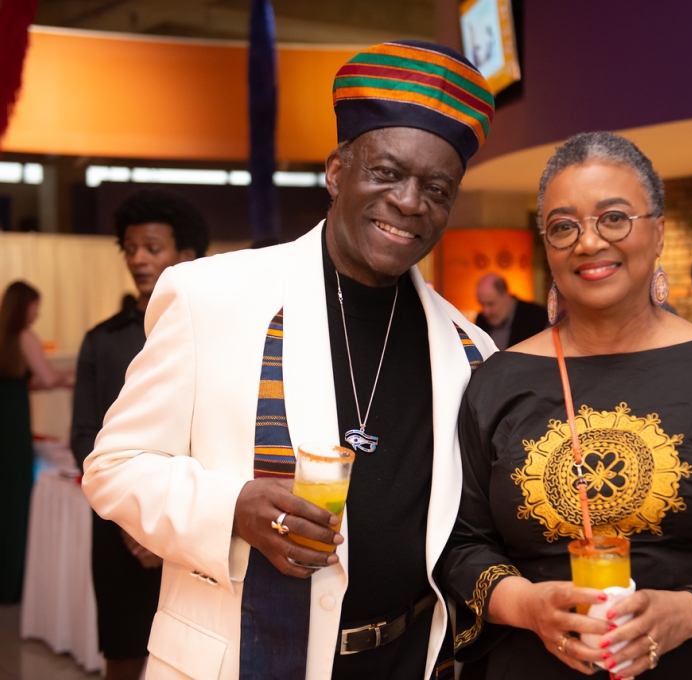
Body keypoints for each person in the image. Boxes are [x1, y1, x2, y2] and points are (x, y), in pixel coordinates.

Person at [82, 40, 496, 680]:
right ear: (336, 171)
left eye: (436, 188)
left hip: (408, 659)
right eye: (387, 173)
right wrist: (232, 507)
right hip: (239, 658)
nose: (411, 202)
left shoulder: (470, 348)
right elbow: (113, 467)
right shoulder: (211, 296)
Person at [440, 132, 692, 679]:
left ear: (659, 232)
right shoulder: (498, 381)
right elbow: (460, 541)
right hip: (534, 661)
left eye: (614, 218)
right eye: (563, 226)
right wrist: (529, 607)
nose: (589, 242)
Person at [71, 189, 209, 680]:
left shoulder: (213, 337)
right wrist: (134, 526)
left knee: (193, 656)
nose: (138, 259)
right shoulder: (103, 340)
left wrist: (168, 523)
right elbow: (85, 436)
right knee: (124, 652)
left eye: (152, 248)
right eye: (130, 248)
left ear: (186, 256)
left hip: (192, 528)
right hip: (118, 529)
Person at [0, 281, 73, 603]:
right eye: (35, 305)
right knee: (16, 499)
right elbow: (46, 378)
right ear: (24, 306)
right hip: (13, 425)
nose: (38, 312)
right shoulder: (25, 336)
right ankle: (12, 582)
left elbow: (24, 383)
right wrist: (78, 370)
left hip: (7, 414)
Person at [475, 273, 548, 350]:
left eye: (490, 304)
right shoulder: (481, 321)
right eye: (482, 304)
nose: (485, 312)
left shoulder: (536, 317)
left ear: (505, 295)